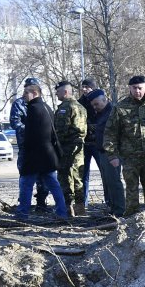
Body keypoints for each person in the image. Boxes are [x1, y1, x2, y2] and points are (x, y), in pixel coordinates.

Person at [104, 75, 145, 216]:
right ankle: (131, 220)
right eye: (134, 88)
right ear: (129, 88)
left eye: (140, 88)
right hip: (130, 157)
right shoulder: (120, 108)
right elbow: (110, 133)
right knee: (131, 190)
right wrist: (112, 155)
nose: (137, 91)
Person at [15, 83, 68, 219]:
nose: (24, 96)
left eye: (26, 93)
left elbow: (31, 135)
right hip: (48, 154)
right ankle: (62, 212)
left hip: (35, 155)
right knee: (53, 184)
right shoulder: (47, 107)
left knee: (26, 184)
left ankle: (22, 214)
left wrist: (27, 154)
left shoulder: (33, 109)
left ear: (35, 93)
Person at [10, 77, 50, 211]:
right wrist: (30, 130)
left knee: (43, 176)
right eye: (28, 88)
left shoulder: (43, 104)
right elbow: (15, 123)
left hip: (41, 146)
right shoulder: (19, 104)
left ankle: (41, 202)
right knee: (25, 175)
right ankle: (24, 203)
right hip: (26, 146)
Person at [88, 89, 125, 216]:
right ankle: (113, 208)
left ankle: (120, 210)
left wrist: (113, 154)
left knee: (114, 182)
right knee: (108, 182)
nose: (95, 107)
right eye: (93, 105)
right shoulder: (100, 114)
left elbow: (117, 134)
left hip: (111, 153)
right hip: (102, 152)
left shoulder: (112, 112)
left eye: (96, 104)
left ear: (105, 100)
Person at [53, 81, 87, 217]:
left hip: (67, 148)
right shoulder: (81, 107)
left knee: (65, 178)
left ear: (65, 92)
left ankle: (68, 209)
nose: (56, 93)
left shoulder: (66, 107)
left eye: (58, 91)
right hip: (79, 147)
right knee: (78, 178)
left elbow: (61, 130)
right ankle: (80, 209)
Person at [78, 78, 99, 209]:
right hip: (84, 144)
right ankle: (82, 204)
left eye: (87, 87)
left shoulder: (100, 100)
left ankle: (109, 203)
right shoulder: (79, 103)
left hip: (97, 143)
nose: (84, 89)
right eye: (83, 87)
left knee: (105, 174)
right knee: (83, 175)